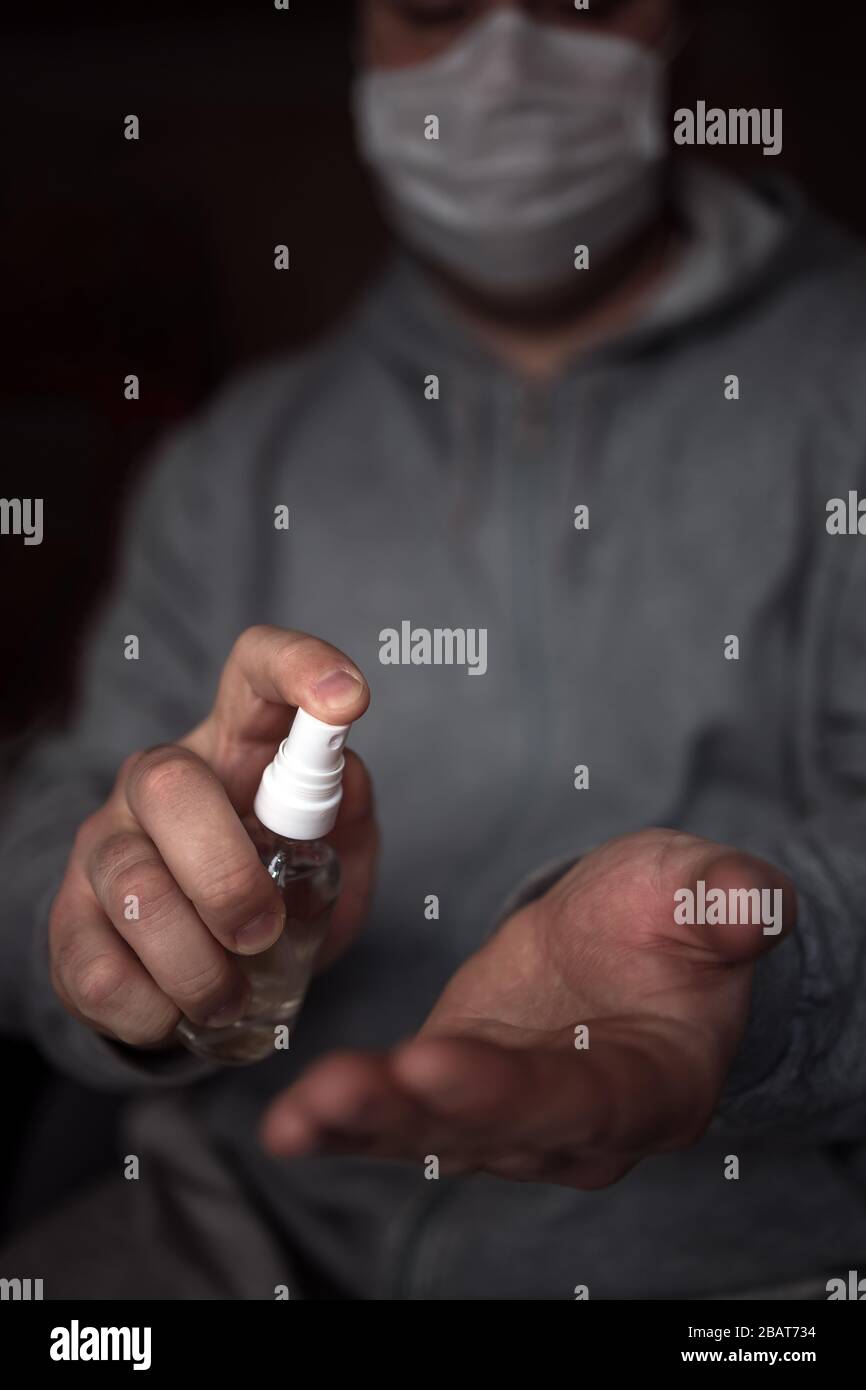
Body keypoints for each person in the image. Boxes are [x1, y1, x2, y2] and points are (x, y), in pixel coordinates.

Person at [2, 0, 866, 1300]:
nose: (505, 63)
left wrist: (765, 981)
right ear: (358, 38)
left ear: (672, 26)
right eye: (436, 9)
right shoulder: (240, 459)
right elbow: (47, 825)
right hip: (219, 1233)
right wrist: (105, 924)